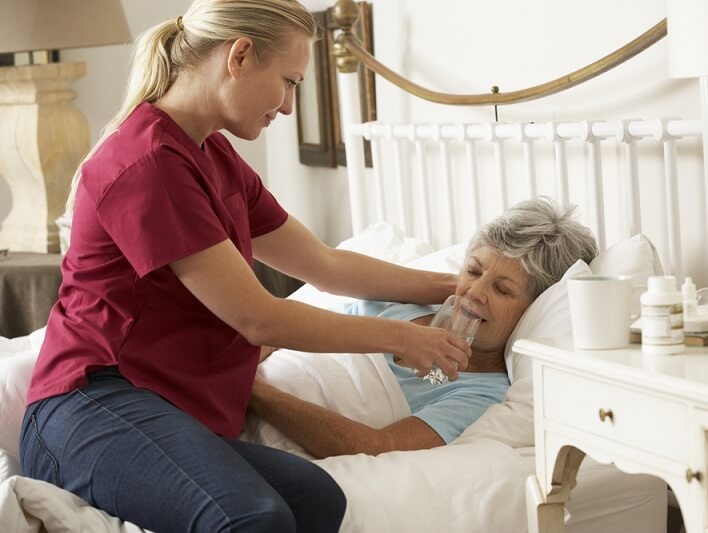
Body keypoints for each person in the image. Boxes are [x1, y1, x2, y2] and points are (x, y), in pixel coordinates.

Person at [18, 1, 474, 532]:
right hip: (90, 405)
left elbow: (325, 266)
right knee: (253, 519)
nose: (286, 106)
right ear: (239, 56)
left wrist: (456, 287)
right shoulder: (148, 163)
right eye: (288, 81)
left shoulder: (211, 155)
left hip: (161, 408)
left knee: (317, 500)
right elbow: (259, 319)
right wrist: (401, 338)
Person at [248, 198, 599, 458]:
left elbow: (374, 446)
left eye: (503, 290)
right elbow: (293, 326)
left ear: (534, 311)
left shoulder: (482, 394)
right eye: (473, 271)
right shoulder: (398, 305)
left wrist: (253, 391)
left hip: (251, 414)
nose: (474, 292)